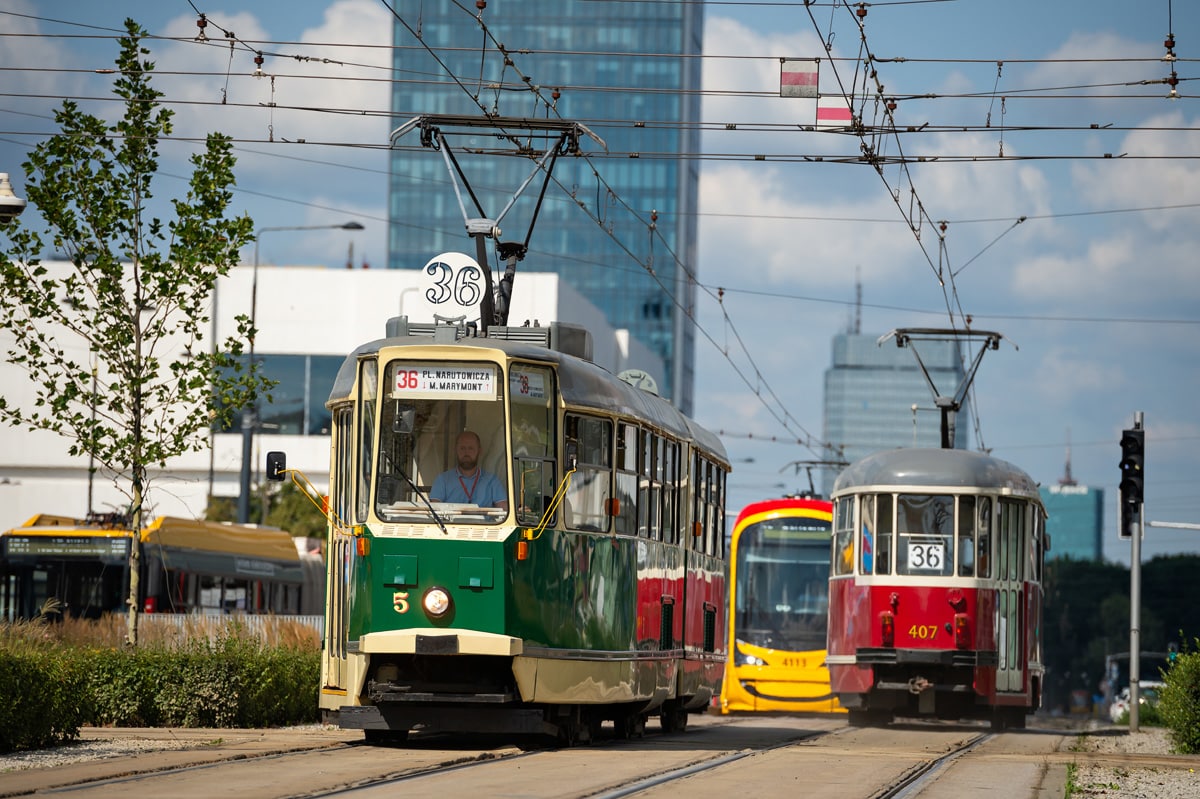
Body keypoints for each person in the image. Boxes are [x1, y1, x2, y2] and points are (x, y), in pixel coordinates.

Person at [429, 430, 508, 509]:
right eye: (462, 448)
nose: (466, 453)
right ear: (456, 450)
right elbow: (434, 509)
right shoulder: (442, 480)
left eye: (471, 448)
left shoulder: (492, 481)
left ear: (479, 450)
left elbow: (504, 508)